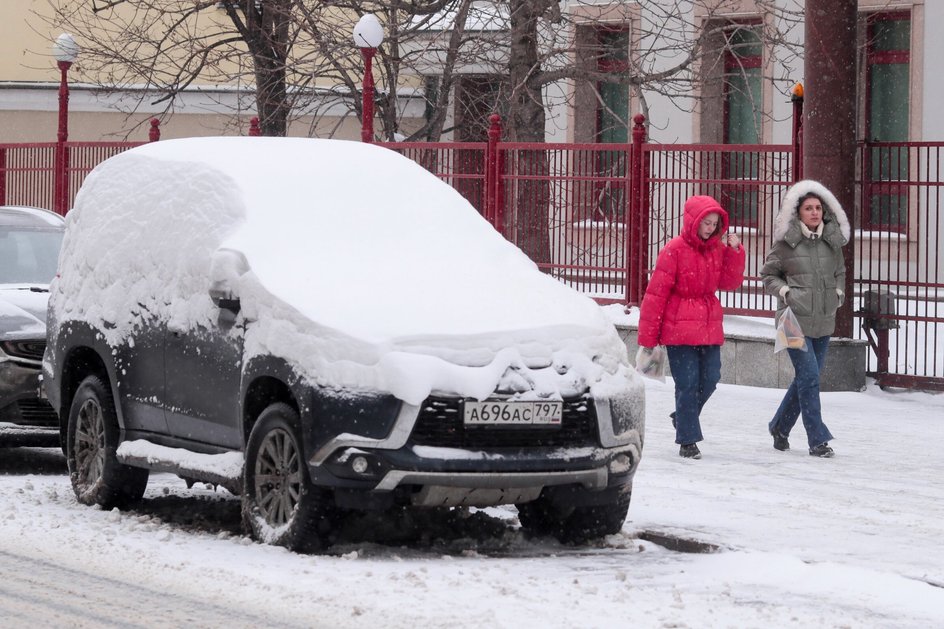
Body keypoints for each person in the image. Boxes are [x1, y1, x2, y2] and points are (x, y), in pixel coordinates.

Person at [637, 195, 746, 459]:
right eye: (706, 223)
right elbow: (656, 295)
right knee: (687, 383)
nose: (710, 228)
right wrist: (648, 337)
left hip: (708, 324)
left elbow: (729, 283)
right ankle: (687, 440)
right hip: (678, 328)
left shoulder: (717, 249)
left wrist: (735, 252)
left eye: (714, 223)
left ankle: (682, 416)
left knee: (710, 378)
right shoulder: (674, 249)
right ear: (693, 221)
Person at [761, 180, 850, 458]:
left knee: (806, 379)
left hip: (823, 320)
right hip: (791, 321)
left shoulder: (831, 243)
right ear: (798, 212)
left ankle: (779, 426)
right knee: (810, 377)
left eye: (818, 208)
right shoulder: (786, 243)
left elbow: (840, 272)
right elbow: (768, 275)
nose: (814, 212)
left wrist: (838, 293)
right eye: (808, 208)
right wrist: (785, 291)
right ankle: (817, 439)